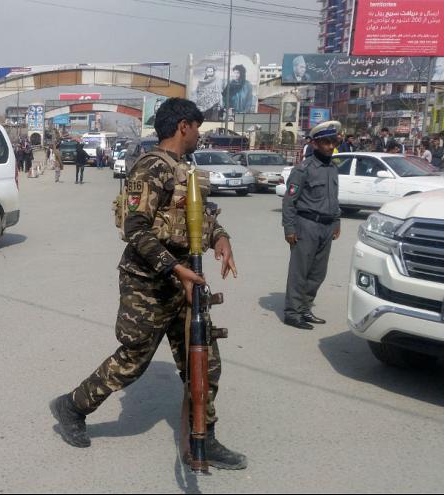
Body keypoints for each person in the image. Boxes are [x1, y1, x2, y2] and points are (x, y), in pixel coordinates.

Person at [49, 98, 246, 470]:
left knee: (204, 363)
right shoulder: (150, 168)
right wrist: (174, 268)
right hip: (149, 284)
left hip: (185, 281)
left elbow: (200, 217)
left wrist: (220, 237)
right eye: (197, 129)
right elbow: (134, 229)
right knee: (133, 360)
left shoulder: (183, 168)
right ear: (183, 126)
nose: (198, 136)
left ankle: (204, 439)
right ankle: (72, 406)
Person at [281, 120, 342, 330]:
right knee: (300, 271)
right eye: (325, 142)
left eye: (332, 141)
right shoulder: (303, 169)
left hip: (326, 227)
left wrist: (336, 221)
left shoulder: (332, 168)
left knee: (318, 273)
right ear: (315, 144)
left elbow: (334, 198)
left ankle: (305, 308)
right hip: (306, 225)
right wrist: (289, 228)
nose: (330, 146)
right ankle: (292, 312)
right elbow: (289, 201)